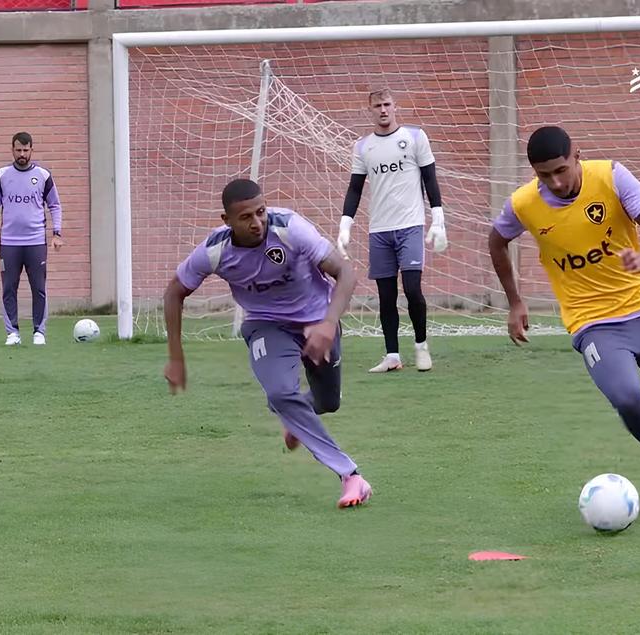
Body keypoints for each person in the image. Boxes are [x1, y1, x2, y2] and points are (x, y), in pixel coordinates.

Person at [487, 126, 640, 516]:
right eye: (544, 175)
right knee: (627, 396)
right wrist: (514, 301)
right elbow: (496, 240)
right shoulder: (524, 203)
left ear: (578, 154)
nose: (555, 182)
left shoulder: (611, 176)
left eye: (561, 170)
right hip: (592, 323)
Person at [163, 179, 372, 508]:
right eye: (246, 216)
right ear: (226, 220)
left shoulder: (290, 229)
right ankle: (351, 476)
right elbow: (175, 291)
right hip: (266, 326)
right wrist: (176, 357)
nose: (257, 222)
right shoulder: (215, 250)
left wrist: (328, 324)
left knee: (328, 401)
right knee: (279, 393)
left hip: (317, 322)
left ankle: (297, 419)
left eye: (260, 212)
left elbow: (345, 273)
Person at [337, 88, 447, 373]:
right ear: (370, 110)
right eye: (377, 106)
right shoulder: (363, 147)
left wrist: (438, 219)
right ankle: (392, 355)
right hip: (380, 231)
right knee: (385, 296)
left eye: (387, 104)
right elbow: (355, 188)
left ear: (394, 106)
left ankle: (421, 347)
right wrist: (344, 226)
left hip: (410, 226)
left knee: (412, 289)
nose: (383, 110)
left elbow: (430, 178)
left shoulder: (414, 137)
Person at [0, 131, 63, 346]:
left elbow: (55, 205)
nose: (22, 154)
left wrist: (57, 233)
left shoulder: (43, 175)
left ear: (32, 150)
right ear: (12, 150)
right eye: (18, 150)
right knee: (9, 287)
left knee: (38, 287)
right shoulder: (1, 175)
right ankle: (13, 333)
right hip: (9, 242)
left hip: (36, 241)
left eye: (25, 150)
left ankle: (39, 332)